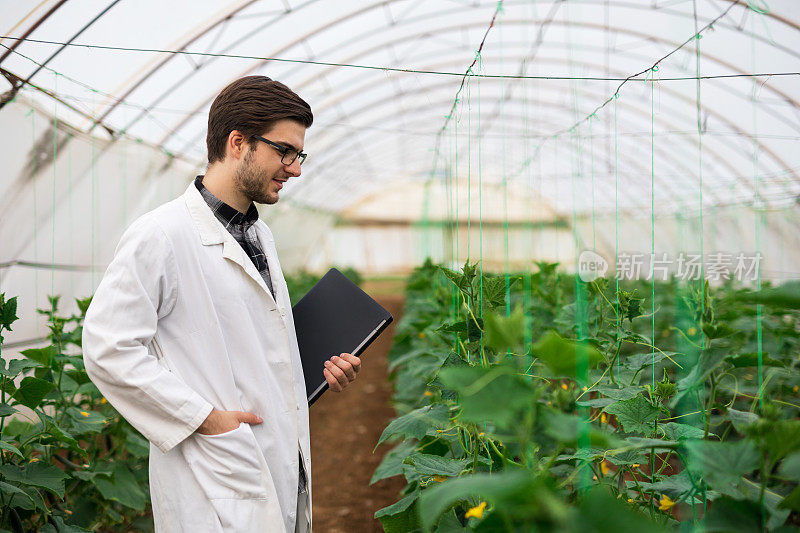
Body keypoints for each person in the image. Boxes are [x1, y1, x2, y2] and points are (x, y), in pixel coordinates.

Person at [82, 76, 361, 533]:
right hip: (215, 476)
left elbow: (254, 345)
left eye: (299, 154)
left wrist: (315, 370)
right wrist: (204, 419)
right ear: (238, 143)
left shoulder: (259, 235)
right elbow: (107, 348)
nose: (294, 168)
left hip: (274, 461)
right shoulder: (162, 234)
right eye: (284, 151)